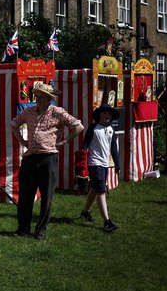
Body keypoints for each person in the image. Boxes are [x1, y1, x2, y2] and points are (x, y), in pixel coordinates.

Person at [11, 82, 84, 240]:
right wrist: (22, 141)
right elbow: (14, 123)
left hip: (48, 157)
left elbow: (78, 126)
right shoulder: (29, 111)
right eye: (37, 96)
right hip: (30, 158)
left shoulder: (57, 112)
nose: (38, 99)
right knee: (25, 195)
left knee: (47, 195)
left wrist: (65, 141)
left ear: (50, 99)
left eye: (42, 97)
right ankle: (23, 228)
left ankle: (41, 230)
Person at [79, 104, 120, 232]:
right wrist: (82, 164)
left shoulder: (111, 130)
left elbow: (114, 148)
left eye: (109, 113)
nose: (107, 115)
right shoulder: (93, 128)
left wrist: (117, 164)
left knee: (94, 188)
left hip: (105, 164)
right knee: (101, 191)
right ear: (99, 114)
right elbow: (84, 146)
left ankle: (85, 212)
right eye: (105, 113)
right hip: (94, 164)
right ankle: (107, 222)